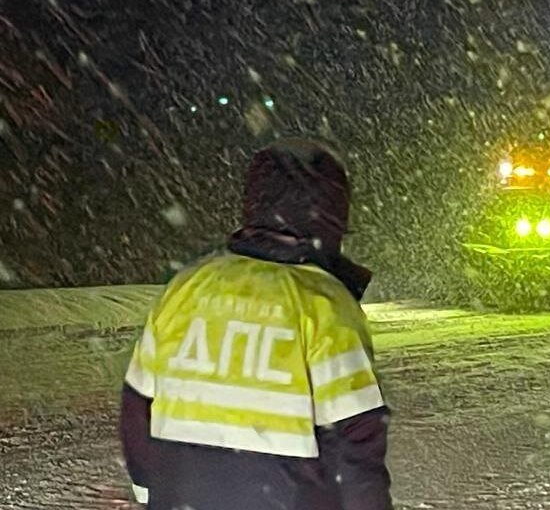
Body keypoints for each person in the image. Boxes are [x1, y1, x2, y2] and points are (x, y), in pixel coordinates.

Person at [119, 139, 393, 510]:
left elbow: (138, 405)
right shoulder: (325, 304)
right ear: (331, 219)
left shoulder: (187, 287)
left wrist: (149, 488)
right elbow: (356, 439)